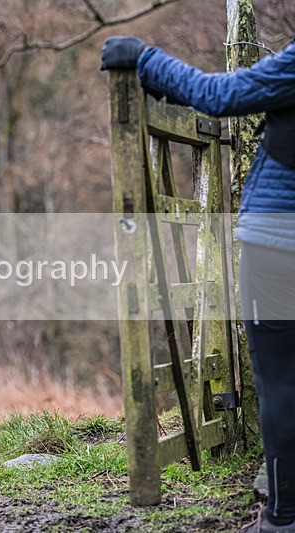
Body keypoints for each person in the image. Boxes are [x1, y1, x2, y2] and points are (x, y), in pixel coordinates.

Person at [101, 36, 295, 532]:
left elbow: (218, 96)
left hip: (278, 240)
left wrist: (144, 60)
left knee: (280, 380)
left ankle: (283, 516)